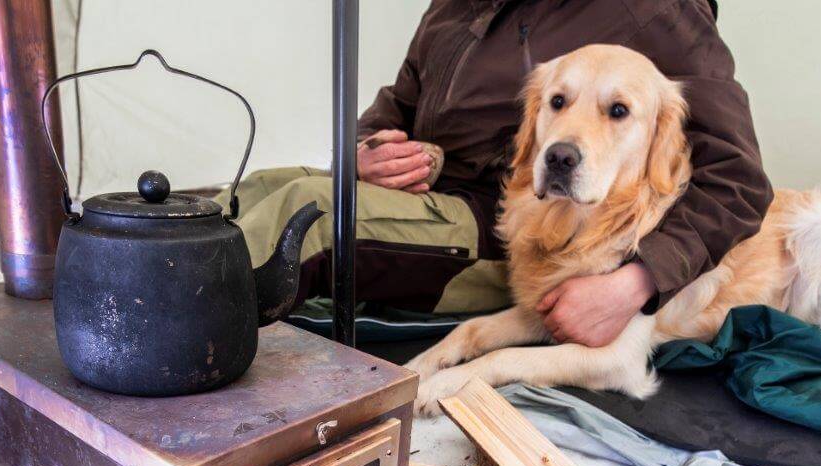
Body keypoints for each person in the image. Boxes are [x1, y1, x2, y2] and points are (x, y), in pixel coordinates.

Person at [225, 0, 772, 346]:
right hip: (423, 191)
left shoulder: (657, 11)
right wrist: (362, 153)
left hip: (506, 224)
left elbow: (738, 179)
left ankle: (167, 340)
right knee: (255, 190)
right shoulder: (452, 8)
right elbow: (394, 104)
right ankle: (158, 292)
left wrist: (637, 283)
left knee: (303, 211)